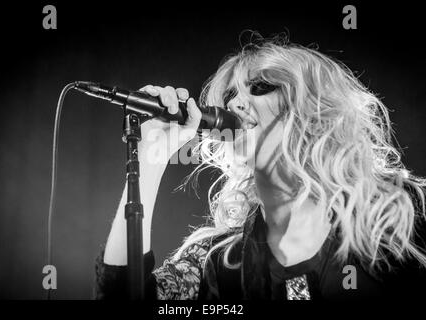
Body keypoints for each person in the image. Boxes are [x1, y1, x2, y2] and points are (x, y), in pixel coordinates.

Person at [95, 38, 426, 300]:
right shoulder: (219, 261)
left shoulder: (399, 211)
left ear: (313, 109)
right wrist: (152, 157)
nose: (236, 103)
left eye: (260, 87)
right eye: (230, 95)